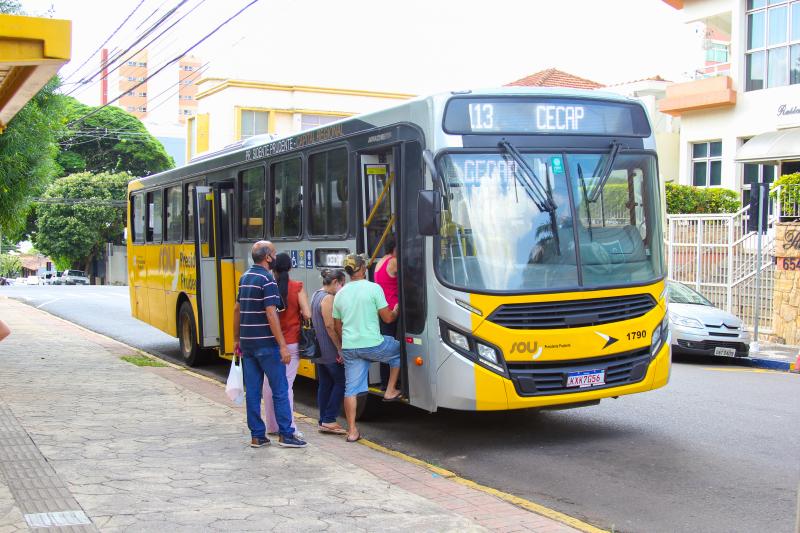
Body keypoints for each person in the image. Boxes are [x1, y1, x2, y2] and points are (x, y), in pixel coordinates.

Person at [233, 241, 307, 449]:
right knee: (280, 388)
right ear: (267, 257)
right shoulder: (267, 280)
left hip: (247, 344)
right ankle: (286, 434)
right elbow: (271, 313)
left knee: (254, 391)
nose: (275, 256)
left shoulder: (244, 277)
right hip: (266, 344)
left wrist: (236, 339)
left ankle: (257, 435)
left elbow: (237, 309)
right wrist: (283, 346)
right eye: (273, 253)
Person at [333, 253, 402, 443]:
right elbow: (388, 318)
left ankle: (352, 431)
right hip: (373, 345)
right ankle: (390, 389)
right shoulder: (373, 288)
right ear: (363, 269)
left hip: (350, 348)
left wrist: (343, 344)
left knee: (351, 390)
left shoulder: (340, 294)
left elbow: (337, 326)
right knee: (400, 351)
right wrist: (396, 309)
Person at [262, 252, 310, 439]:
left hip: (270, 342)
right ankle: (289, 426)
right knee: (286, 386)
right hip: (290, 343)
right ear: (290, 267)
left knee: (268, 385)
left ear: (273, 268)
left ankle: (272, 425)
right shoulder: (297, 287)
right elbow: (307, 313)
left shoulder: (268, 286)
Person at [311, 269, 348, 435]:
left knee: (325, 384)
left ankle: (323, 420)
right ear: (334, 282)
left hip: (319, 350)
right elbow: (330, 326)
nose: (342, 288)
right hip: (329, 350)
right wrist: (339, 349)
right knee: (341, 382)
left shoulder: (315, 294)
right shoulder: (328, 298)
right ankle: (329, 419)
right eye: (342, 284)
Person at [374, 235, 399, 389]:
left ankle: (385, 382)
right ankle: (390, 383)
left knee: (385, 345)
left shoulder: (380, 262)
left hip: (382, 309)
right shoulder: (393, 262)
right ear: (395, 248)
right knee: (392, 346)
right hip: (392, 310)